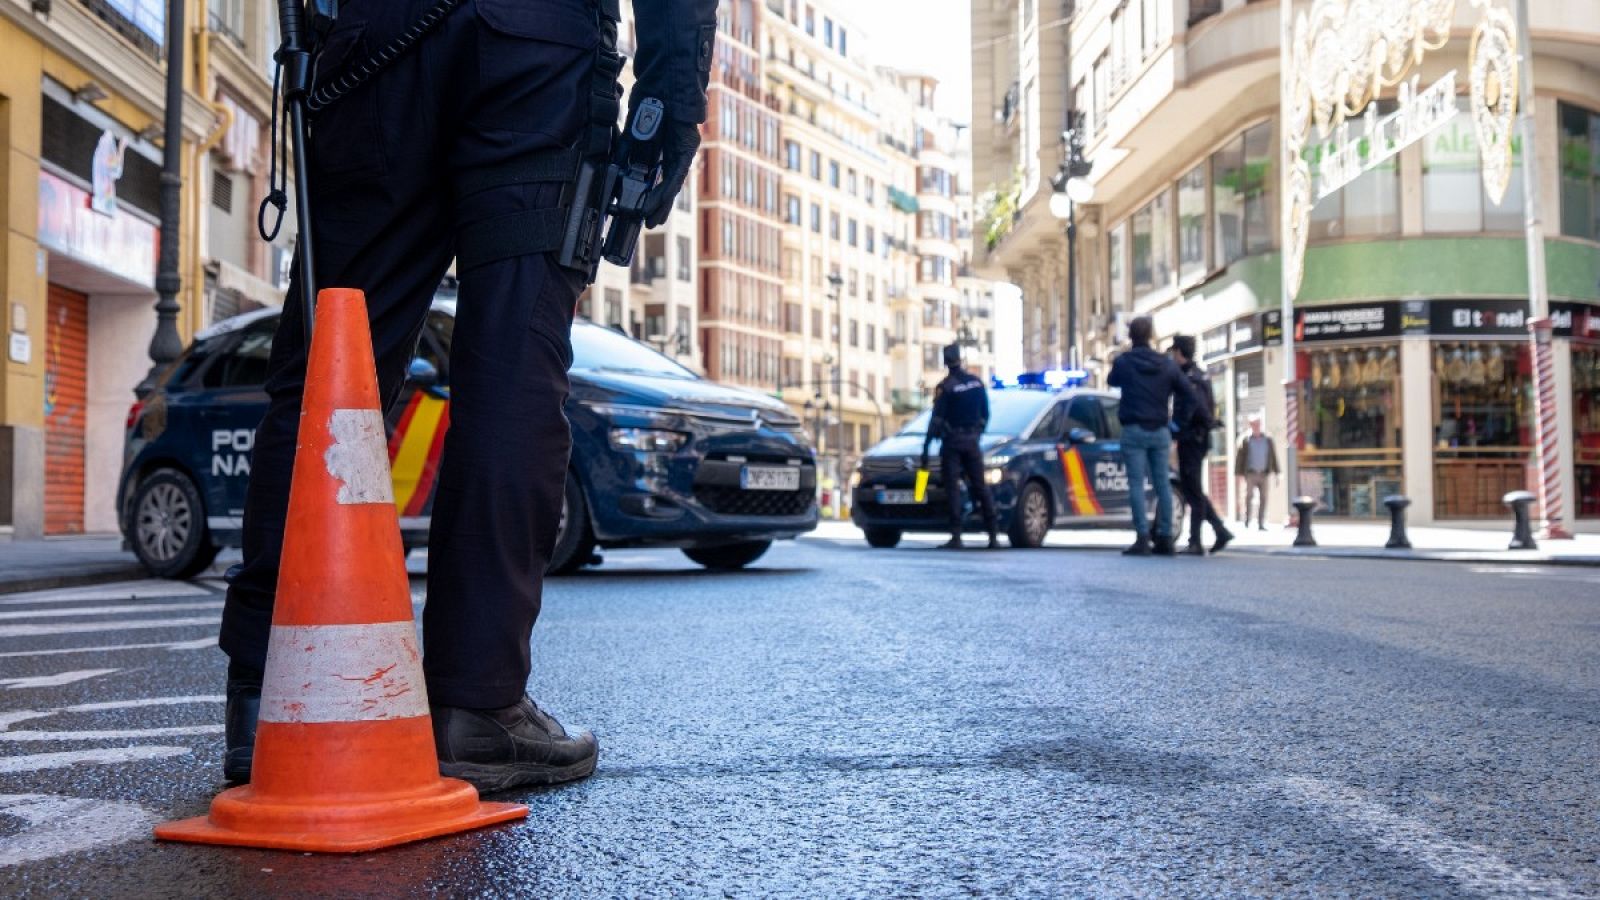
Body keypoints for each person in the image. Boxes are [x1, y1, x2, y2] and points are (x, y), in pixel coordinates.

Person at [219, 0, 716, 792]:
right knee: (514, 368)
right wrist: (668, 109)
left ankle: (267, 695)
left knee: (333, 358)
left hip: (378, 43)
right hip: (538, 56)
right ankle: (475, 705)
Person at [1106, 316, 1195, 556]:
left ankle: (1142, 538)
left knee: (1136, 484)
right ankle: (1166, 538)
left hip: (1133, 429)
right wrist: (1177, 424)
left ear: (1131, 337)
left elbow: (1111, 381)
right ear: (1151, 336)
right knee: (1162, 484)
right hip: (1159, 430)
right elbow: (1189, 393)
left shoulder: (1124, 362)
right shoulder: (1166, 364)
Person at [922, 343, 999, 549]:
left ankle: (956, 535)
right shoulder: (976, 383)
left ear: (945, 361)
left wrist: (926, 446)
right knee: (980, 486)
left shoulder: (946, 387)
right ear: (960, 359)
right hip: (972, 442)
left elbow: (936, 420)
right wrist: (976, 434)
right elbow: (986, 414)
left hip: (953, 443)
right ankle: (993, 535)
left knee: (953, 488)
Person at [1168, 336, 1233, 555]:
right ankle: (1219, 530)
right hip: (1197, 437)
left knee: (1192, 490)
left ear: (1179, 353)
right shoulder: (1199, 374)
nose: (1171, 357)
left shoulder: (1189, 377)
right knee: (1191, 488)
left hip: (1192, 438)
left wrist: (1177, 427)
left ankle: (1196, 540)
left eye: (1173, 353)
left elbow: (1193, 405)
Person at [1234, 414, 1280, 530]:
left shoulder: (1268, 439)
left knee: (1263, 498)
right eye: (1254, 424)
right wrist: (1238, 474)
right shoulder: (1245, 440)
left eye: (1258, 424)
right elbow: (1239, 458)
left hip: (1264, 473)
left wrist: (1277, 472)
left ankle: (1261, 523)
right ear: (1250, 425)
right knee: (1248, 496)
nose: (1257, 426)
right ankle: (1247, 520)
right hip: (1250, 473)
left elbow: (1273, 457)